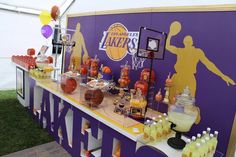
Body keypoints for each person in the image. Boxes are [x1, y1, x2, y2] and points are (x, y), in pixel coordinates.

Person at [166, 21, 235, 102]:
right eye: (185, 41)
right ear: (183, 42)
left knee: (188, 104)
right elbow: (167, 46)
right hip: (177, 77)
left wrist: (222, 75)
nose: (187, 42)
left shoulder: (197, 52)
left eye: (189, 41)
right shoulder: (180, 50)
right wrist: (170, 34)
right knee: (172, 101)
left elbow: (209, 64)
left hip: (189, 78)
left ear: (192, 42)